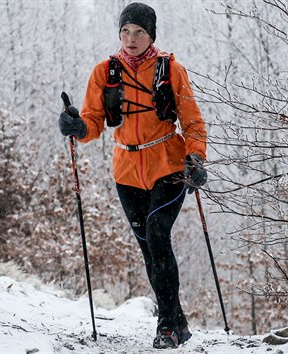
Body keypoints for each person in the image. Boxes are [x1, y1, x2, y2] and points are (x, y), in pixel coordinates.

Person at [58, 2, 207, 349]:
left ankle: (166, 325)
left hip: (168, 166)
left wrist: (196, 157)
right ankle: (178, 320)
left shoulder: (171, 70)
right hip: (126, 171)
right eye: (125, 31)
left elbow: (193, 121)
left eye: (139, 32)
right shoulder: (104, 72)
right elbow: (93, 121)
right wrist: (77, 126)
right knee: (148, 250)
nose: (131, 38)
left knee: (157, 236)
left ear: (151, 34)